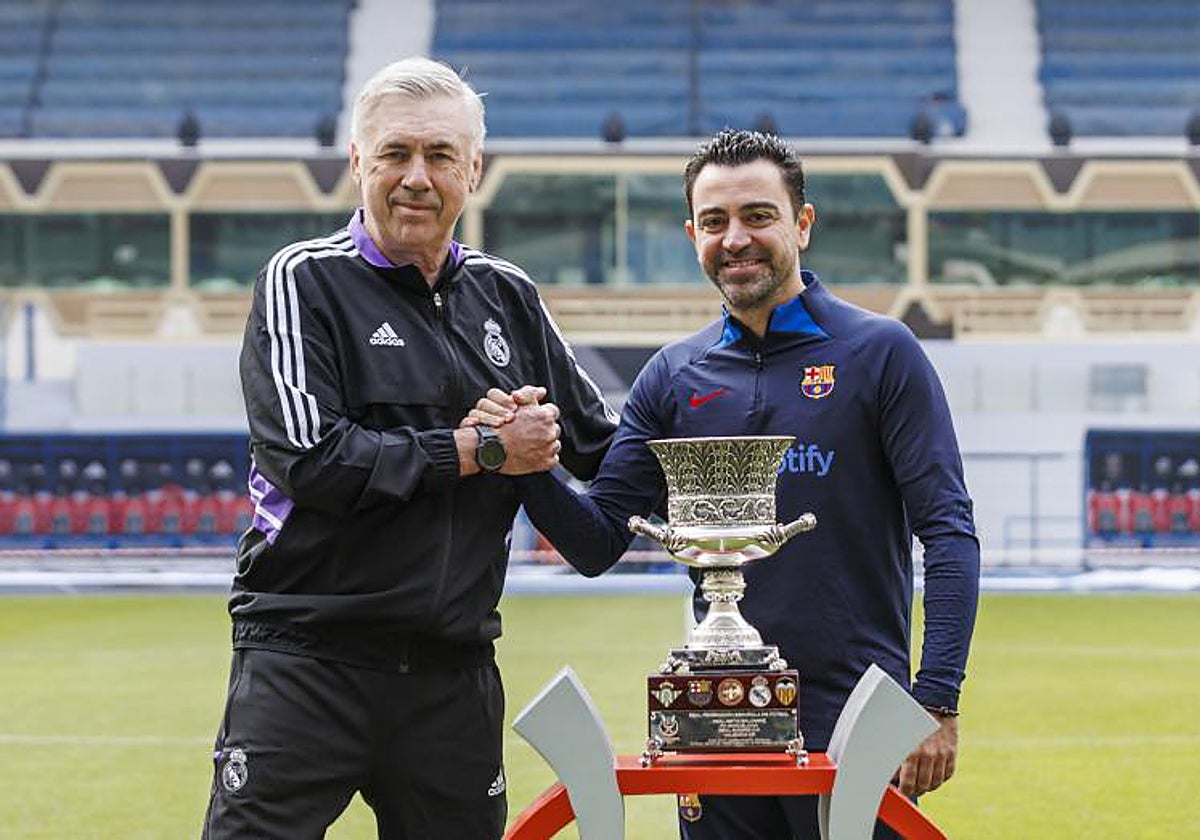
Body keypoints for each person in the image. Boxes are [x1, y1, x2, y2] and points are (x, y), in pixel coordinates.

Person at [469, 129, 980, 839]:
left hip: (858, 722)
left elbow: (949, 532)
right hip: (711, 719)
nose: (735, 239)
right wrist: (523, 462)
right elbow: (595, 543)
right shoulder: (674, 376)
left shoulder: (880, 353)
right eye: (714, 222)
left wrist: (936, 701)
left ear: (802, 223)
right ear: (692, 235)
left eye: (757, 215)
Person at [201, 57, 617, 840]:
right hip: (307, 657)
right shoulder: (302, 281)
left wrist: (705, 439)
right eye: (395, 154)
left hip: (450, 673)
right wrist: (482, 450)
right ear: (358, 163)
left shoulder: (508, 295)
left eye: (439, 156)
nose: (416, 178)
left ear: (475, 170)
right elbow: (312, 460)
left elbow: (602, 449)